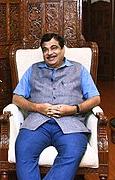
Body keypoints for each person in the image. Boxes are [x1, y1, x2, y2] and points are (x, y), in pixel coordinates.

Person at [13, 33, 100, 180]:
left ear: (63, 49)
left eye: (54, 48)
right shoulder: (33, 69)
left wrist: (73, 109)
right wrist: (37, 107)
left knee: (73, 151)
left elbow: (95, 98)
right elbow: (16, 98)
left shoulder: (79, 69)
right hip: (37, 124)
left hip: (71, 124)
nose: (49, 53)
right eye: (45, 49)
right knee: (23, 149)